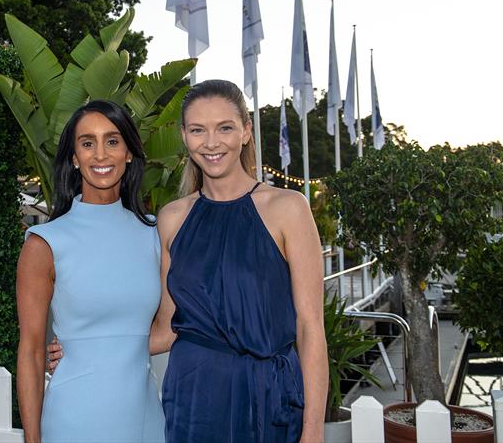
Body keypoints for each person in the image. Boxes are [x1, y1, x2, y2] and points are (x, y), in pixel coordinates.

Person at [49, 80, 328, 443]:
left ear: (245, 131)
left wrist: (313, 431)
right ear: (184, 135)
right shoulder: (172, 218)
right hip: (193, 398)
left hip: (269, 399)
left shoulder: (289, 208)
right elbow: (166, 329)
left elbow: (310, 328)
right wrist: (84, 346)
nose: (211, 142)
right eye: (198, 130)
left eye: (224, 127)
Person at [16, 100, 165, 443]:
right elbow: (31, 351)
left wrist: (99, 348)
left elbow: (172, 328)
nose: (100, 154)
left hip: (146, 422)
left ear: (128, 152)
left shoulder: (156, 234)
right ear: (73, 157)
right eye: (87, 143)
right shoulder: (44, 243)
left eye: (112, 141)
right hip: (73, 420)